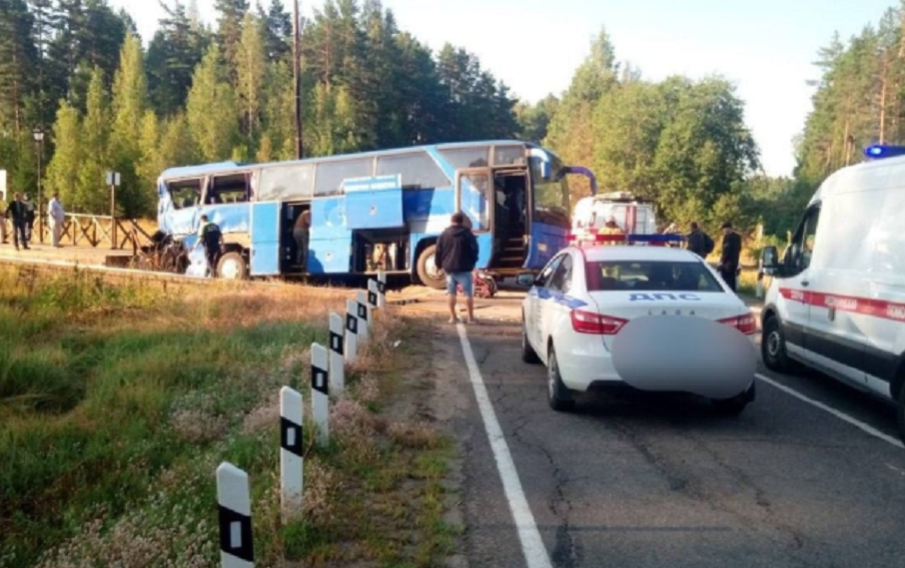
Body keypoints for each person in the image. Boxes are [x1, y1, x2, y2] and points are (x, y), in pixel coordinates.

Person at [435, 211, 479, 324]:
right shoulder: (467, 234)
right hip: (464, 267)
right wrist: (473, 262)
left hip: (449, 268)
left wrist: (438, 265)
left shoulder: (444, 234)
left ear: (452, 221)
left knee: (451, 292)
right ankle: (470, 318)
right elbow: (474, 250)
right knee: (468, 294)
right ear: (462, 221)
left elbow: (438, 251)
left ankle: (452, 317)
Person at [719, 221, 742, 291]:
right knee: (732, 280)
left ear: (728, 228)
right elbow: (739, 248)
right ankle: (733, 293)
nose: (723, 231)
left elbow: (726, 251)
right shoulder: (738, 237)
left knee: (726, 281)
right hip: (735, 261)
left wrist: (722, 261)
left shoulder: (728, 237)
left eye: (724, 229)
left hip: (727, 263)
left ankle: (727, 294)